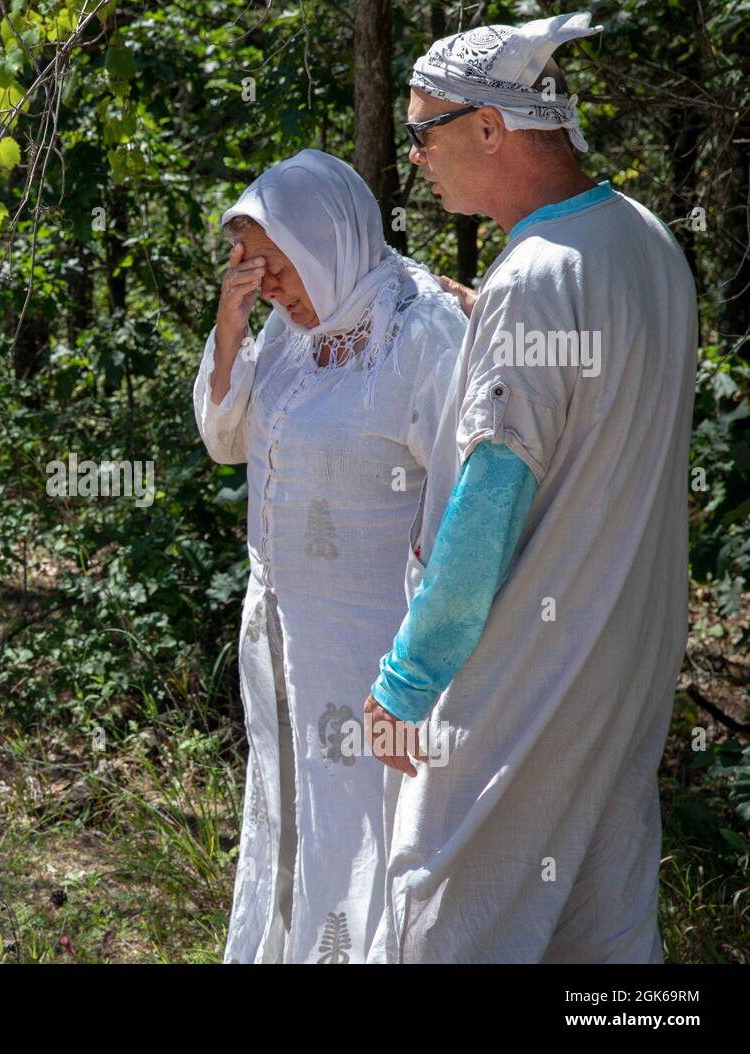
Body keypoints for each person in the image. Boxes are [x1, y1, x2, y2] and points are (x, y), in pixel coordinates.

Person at [362, 12, 698, 962]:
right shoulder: (647, 243)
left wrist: (407, 680)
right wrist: (493, 328)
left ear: (490, 128)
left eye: (424, 132)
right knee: (605, 935)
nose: (416, 158)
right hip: (626, 667)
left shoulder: (536, 280)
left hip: (528, 672)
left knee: (443, 919)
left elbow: (488, 506)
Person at [192, 150, 468, 962]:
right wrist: (231, 326)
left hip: (375, 650)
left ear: (327, 242)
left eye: (275, 267)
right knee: (289, 814)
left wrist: (426, 663)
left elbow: (462, 505)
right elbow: (224, 441)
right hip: (282, 641)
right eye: (251, 269)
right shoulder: (288, 332)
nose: (268, 286)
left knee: (365, 829)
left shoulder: (419, 331)